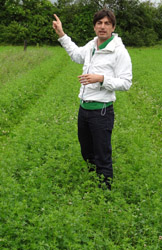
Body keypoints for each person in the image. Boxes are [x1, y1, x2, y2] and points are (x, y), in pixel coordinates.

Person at [53, 9, 132, 190]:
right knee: (87, 151)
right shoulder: (92, 45)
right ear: (94, 26)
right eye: (99, 23)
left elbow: (126, 83)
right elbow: (76, 55)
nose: (102, 27)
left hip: (102, 111)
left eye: (106, 23)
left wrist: (101, 79)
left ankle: (105, 192)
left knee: (102, 154)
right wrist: (62, 34)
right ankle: (93, 183)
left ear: (113, 27)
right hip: (84, 108)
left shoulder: (119, 52)